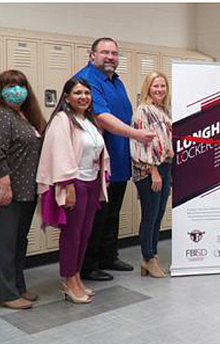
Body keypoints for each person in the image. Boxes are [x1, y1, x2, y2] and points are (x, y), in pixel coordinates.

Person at [75, 37, 155, 282]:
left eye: (114, 53)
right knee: (96, 216)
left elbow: (126, 115)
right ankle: (88, 265)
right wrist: (137, 135)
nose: (110, 57)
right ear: (92, 55)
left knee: (112, 212)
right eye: (104, 52)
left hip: (119, 162)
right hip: (97, 163)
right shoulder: (86, 79)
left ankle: (108, 255)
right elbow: (102, 116)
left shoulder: (116, 81)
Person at [37, 78, 109, 303]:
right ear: (66, 97)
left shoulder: (88, 120)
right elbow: (60, 153)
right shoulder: (62, 119)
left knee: (85, 233)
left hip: (91, 181)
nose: (84, 97)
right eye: (78, 92)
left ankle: (76, 277)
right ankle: (68, 280)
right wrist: (67, 186)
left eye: (87, 93)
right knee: (72, 234)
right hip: (73, 182)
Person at [0, 70, 46, 309]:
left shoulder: (26, 116)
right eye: (9, 85)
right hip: (9, 190)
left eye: (20, 85)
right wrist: (4, 185)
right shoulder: (2, 115)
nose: (16, 90)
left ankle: (18, 286)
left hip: (28, 189)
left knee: (19, 241)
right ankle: (6, 294)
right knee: (5, 243)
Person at [130, 72, 173, 278]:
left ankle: (152, 256)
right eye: (155, 86)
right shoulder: (143, 111)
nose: (159, 90)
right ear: (148, 88)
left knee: (158, 215)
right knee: (150, 216)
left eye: (163, 86)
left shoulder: (163, 110)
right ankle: (148, 258)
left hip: (165, 167)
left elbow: (162, 139)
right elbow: (139, 143)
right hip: (149, 170)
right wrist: (153, 170)